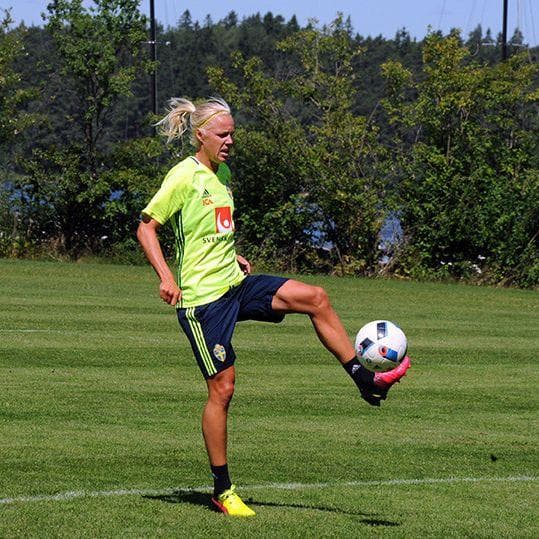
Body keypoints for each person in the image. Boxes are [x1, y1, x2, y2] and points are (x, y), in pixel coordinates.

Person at [137, 97, 411, 517]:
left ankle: (364, 379)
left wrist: (233, 254)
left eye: (232, 134)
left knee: (316, 297)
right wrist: (166, 277)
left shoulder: (222, 174)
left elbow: (211, 230)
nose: (230, 141)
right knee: (223, 389)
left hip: (235, 284)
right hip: (203, 302)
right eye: (222, 134)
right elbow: (146, 227)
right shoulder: (183, 176)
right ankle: (222, 490)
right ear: (201, 135)